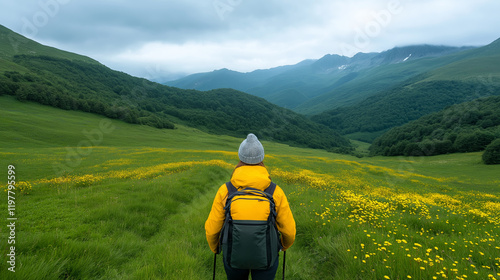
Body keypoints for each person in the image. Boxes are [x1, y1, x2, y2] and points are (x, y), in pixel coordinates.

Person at [205, 133, 296, 280]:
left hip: (233, 257)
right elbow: (289, 230)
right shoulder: (275, 191)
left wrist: (215, 248)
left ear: (240, 158)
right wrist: (283, 246)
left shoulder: (226, 190)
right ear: (262, 159)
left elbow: (212, 228)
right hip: (267, 257)